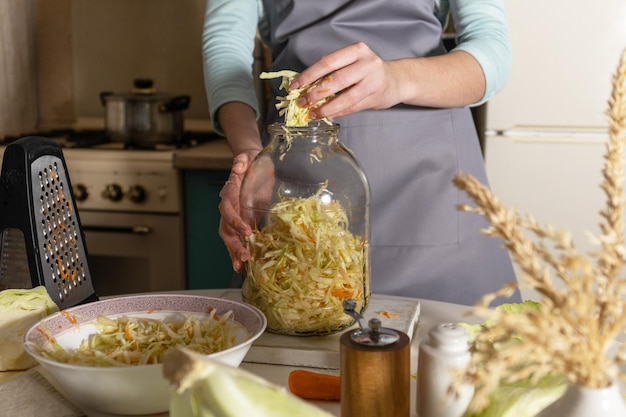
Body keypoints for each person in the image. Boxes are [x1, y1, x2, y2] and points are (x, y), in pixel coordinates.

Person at [202, 0, 522, 306]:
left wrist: (394, 80)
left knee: (452, 350)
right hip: (297, 170)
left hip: (431, 188)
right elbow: (226, 47)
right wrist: (251, 156)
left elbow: (492, 53)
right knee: (297, 336)